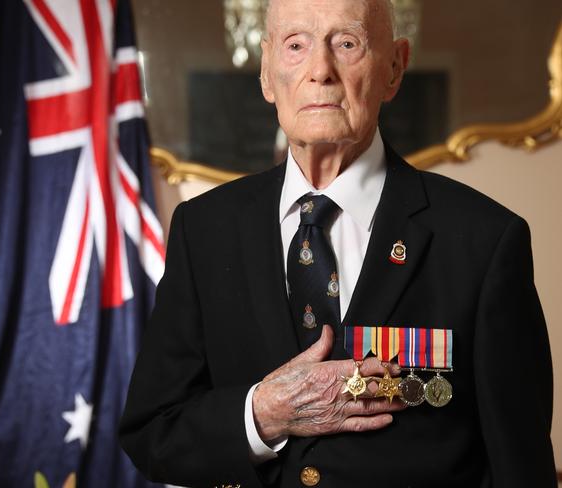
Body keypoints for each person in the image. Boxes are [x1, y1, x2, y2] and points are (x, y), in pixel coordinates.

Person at [119, 0, 557, 486]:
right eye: (296, 45)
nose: (320, 71)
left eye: (346, 43)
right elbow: (152, 432)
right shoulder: (202, 231)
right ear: (267, 73)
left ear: (394, 68)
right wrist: (263, 414)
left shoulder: (484, 242)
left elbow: (522, 469)